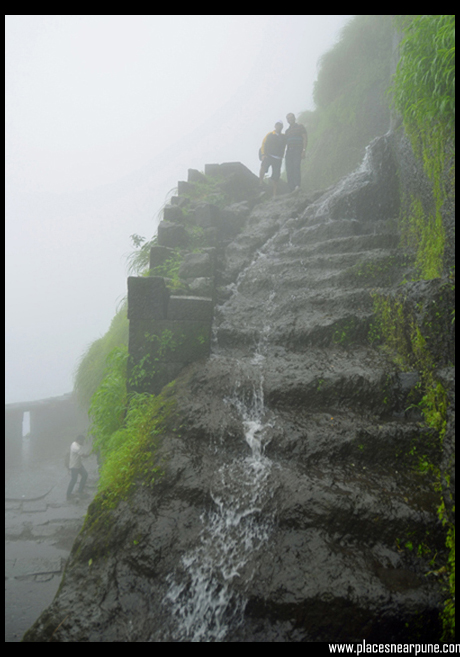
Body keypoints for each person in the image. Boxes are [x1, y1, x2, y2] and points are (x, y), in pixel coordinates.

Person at [259, 120, 286, 196]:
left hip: (278, 158)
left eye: (280, 125)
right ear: (275, 126)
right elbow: (263, 144)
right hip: (269, 156)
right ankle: (260, 183)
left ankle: (274, 194)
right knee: (263, 167)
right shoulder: (270, 135)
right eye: (277, 125)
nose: (279, 126)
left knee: (276, 176)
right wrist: (263, 154)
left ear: (282, 127)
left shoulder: (283, 137)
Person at [285, 113, 308, 192]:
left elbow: (305, 138)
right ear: (287, 120)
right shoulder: (287, 131)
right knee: (289, 169)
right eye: (288, 118)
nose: (290, 119)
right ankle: (291, 188)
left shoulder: (300, 127)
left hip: (297, 149)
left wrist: (304, 150)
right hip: (289, 151)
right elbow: (285, 143)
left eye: (291, 117)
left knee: (296, 167)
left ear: (294, 118)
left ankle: (297, 186)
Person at [66, 435, 89, 500]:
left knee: (85, 475)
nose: (83, 442)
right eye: (82, 441)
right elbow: (83, 455)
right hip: (74, 466)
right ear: (79, 440)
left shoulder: (74, 444)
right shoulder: (76, 447)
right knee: (74, 480)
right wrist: (90, 453)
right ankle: (68, 494)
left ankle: (80, 490)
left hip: (78, 465)